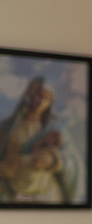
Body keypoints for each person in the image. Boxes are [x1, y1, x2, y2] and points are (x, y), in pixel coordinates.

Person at [0, 76, 83, 204]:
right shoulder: (7, 128)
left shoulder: (55, 129)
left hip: (47, 195)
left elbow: (73, 159)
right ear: (28, 95)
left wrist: (55, 160)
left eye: (46, 99)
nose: (40, 102)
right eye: (38, 95)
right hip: (14, 195)